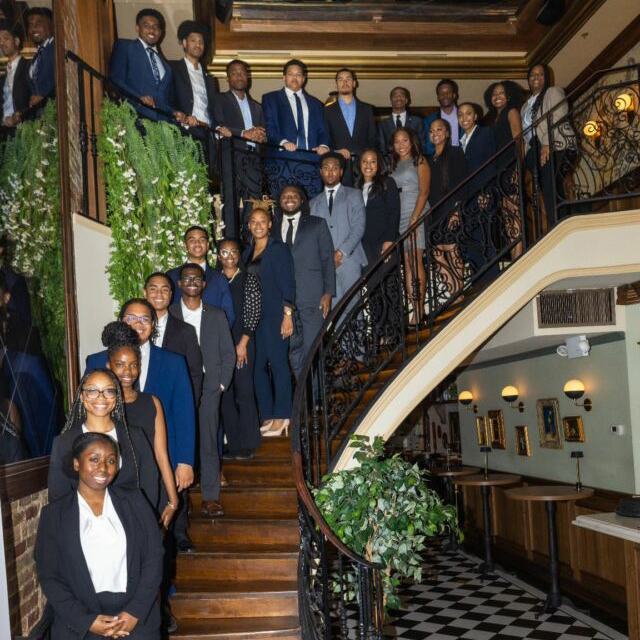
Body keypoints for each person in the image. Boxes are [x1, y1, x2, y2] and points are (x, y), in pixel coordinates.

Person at [85, 298, 196, 550]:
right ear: (121, 320)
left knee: (157, 541)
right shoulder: (96, 361)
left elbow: (184, 413)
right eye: (131, 318)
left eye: (145, 319)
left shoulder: (173, 361)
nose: (138, 324)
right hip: (113, 471)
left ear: (153, 324)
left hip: (158, 465)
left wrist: (186, 461)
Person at [36, 432, 164, 640]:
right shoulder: (54, 514)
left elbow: (154, 557)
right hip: (79, 624)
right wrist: (85, 621)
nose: (103, 468)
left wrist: (135, 611)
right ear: (77, 464)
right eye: (94, 459)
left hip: (137, 619)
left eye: (110, 461)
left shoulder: (136, 501)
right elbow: (49, 575)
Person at [170, 264, 235, 518]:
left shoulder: (216, 315)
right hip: (180, 385)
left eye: (197, 279)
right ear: (179, 284)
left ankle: (210, 498)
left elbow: (228, 353)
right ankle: (178, 500)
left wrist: (221, 384)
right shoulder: (171, 313)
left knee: (208, 442)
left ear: (204, 284)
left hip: (209, 387)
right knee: (178, 440)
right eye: (187, 278)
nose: (192, 282)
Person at [102, 321, 179, 527]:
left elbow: (161, 453)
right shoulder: (102, 405)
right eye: (120, 364)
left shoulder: (151, 402)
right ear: (109, 366)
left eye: (134, 364)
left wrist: (173, 499)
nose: (128, 371)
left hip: (150, 487)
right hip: (114, 490)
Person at [47, 369, 159, 510]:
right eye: (92, 390)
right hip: (84, 525)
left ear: (117, 396)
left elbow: (150, 486)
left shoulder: (135, 437)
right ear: (82, 396)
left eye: (109, 391)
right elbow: (58, 497)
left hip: (131, 523)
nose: (101, 397)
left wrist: (145, 521)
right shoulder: (63, 443)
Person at [243, 208, 295, 437]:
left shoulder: (278, 249)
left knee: (279, 364)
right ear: (249, 226)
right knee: (257, 368)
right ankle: (268, 414)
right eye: (253, 222)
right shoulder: (246, 252)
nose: (258, 225)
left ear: (270, 224)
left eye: (262, 221)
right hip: (255, 317)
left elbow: (288, 282)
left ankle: (284, 415)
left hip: (275, 314)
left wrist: (288, 314)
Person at [275, 185, 335, 379]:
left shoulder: (317, 224)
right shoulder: (272, 227)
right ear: (280, 201)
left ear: (302, 200)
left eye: (294, 195)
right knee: (293, 351)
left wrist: (328, 293)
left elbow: (327, 260)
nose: (289, 198)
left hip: (312, 298)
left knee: (314, 350)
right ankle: (305, 399)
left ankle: (318, 400)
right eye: (285, 195)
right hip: (284, 303)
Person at [217, 239, 262, 460]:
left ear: (238, 255)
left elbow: (253, 313)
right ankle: (233, 444)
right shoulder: (214, 281)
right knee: (225, 394)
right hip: (220, 344)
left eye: (233, 252)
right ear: (218, 257)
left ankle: (248, 443)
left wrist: (243, 344)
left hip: (242, 341)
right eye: (224, 253)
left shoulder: (248, 279)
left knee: (244, 391)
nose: (229, 256)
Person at [213, 59, 267, 236]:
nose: (239, 76)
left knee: (254, 207)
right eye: (235, 73)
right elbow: (219, 127)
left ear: (248, 77)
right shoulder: (219, 99)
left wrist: (262, 136)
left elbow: (264, 134)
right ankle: (233, 243)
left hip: (254, 163)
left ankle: (253, 244)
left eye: (243, 73)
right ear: (228, 78)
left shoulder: (258, 107)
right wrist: (245, 133)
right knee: (232, 207)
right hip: (232, 160)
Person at [262, 59, 330, 199]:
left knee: (311, 209)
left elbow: (323, 130)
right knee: (284, 208)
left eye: (298, 74)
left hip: (311, 164)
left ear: (303, 79)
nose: (294, 77)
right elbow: (270, 127)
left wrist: (323, 145)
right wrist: (283, 142)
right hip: (283, 162)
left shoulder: (316, 103)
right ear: (284, 77)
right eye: (290, 74)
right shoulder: (271, 98)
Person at [521, 62, 576, 229]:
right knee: (547, 188)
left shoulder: (553, 92)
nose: (536, 78)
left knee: (550, 183)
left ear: (547, 78)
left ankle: (558, 225)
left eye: (540, 74)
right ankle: (558, 223)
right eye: (532, 75)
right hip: (533, 149)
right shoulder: (525, 105)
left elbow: (558, 114)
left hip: (554, 143)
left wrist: (546, 143)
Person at [109, 8, 182, 123]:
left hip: (162, 129)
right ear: (137, 28)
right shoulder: (125, 47)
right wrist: (138, 98)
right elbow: (116, 80)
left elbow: (164, 100)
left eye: (156, 27)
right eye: (146, 25)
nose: (152, 30)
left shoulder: (167, 67)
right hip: (133, 121)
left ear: (161, 32)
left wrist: (174, 112)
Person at [389, 127, 430, 324]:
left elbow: (424, 191)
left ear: (411, 141)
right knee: (407, 263)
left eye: (404, 140)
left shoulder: (419, 160)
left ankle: (420, 310)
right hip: (399, 214)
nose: (401, 145)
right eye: (397, 142)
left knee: (415, 259)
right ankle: (415, 309)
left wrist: (415, 217)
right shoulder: (393, 164)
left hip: (415, 211)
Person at [144, 271, 203, 404]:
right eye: (153, 289)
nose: (159, 294)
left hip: (172, 403)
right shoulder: (133, 328)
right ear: (144, 292)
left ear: (170, 295)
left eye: (164, 290)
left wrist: (190, 405)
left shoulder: (186, 331)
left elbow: (195, 374)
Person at [427, 118, 468, 297]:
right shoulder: (428, 160)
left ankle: (460, 291)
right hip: (434, 211)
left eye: (439, 129)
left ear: (447, 133)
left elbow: (462, 180)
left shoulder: (455, 153)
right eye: (431, 130)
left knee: (452, 250)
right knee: (437, 253)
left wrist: (457, 209)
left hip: (450, 207)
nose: (435, 133)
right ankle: (453, 292)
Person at [458, 102, 498, 280]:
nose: (464, 118)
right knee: (472, 239)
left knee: (485, 238)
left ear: (475, 116)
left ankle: (490, 279)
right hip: (468, 198)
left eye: (468, 114)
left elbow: (491, 165)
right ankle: (478, 279)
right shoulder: (461, 141)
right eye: (460, 114)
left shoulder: (485, 133)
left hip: (482, 195)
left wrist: (486, 192)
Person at [484, 81, 523, 256]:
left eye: (501, 93)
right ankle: (514, 250)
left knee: (514, 210)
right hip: (498, 169)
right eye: (494, 94)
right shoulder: (493, 118)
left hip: (510, 165)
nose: (497, 97)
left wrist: (517, 169)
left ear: (508, 96)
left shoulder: (511, 112)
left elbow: (518, 140)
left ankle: (519, 253)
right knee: (506, 212)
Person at [166, 225, 235, 325]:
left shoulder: (219, 279)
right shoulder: (171, 276)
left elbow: (228, 315)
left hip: (210, 337)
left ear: (207, 245)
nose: (197, 243)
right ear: (185, 245)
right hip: (179, 337)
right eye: (192, 240)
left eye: (201, 240)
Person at [324, 68, 377, 186]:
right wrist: (336, 151)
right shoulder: (327, 111)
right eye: (341, 80)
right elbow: (325, 139)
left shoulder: (367, 109)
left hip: (363, 167)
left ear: (354, 83)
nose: (345, 82)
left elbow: (373, 138)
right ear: (336, 84)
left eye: (348, 79)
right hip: (339, 167)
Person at [356, 148, 401, 267]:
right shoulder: (355, 188)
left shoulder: (388, 182)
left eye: (373, 161)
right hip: (363, 244)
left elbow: (394, 212)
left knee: (385, 281)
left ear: (379, 164)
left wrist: (389, 240)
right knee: (371, 283)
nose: (368, 165)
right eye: (364, 161)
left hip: (383, 241)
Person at [378, 86, 425, 159]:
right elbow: (382, 148)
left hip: (414, 164)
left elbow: (422, 145)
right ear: (391, 101)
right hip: (391, 165)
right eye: (395, 95)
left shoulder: (417, 121)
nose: (398, 97)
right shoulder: (382, 125)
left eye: (402, 95)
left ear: (406, 100)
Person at [0, 21, 30, 127]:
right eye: (0, 40)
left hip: (25, 129)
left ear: (16, 41)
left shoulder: (29, 66)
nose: (2, 43)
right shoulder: (3, 78)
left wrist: (17, 116)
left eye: (6, 38)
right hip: (5, 134)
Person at [423, 78, 463, 155]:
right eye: (441, 93)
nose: (445, 95)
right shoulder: (429, 120)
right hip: (440, 159)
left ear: (454, 95)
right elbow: (428, 146)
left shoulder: (464, 116)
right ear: (438, 97)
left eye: (448, 92)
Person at [25, 7, 54, 109]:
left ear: (51, 25)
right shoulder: (35, 58)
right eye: (30, 25)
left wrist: (44, 99)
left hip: (56, 116)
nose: (33, 29)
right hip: (38, 118)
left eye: (38, 23)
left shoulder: (57, 49)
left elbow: (64, 84)